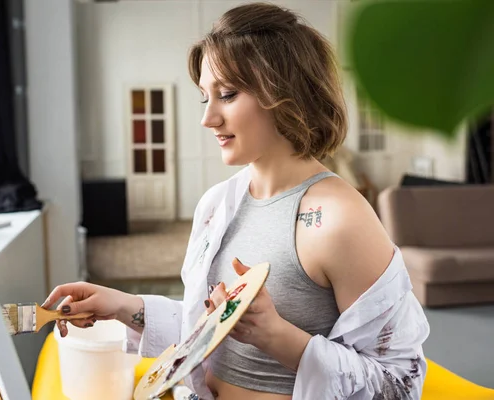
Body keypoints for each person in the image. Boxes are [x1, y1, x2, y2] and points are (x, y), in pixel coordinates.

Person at [42, 3, 430, 399]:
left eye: (226, 95)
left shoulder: (339, 219)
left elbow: (399, 385)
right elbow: (213, 333)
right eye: (204, 98)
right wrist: (125, 306)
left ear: (286, 95)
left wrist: (278, 337)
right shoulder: (217, 204)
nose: (208, 118)